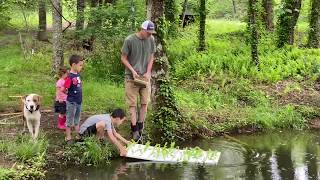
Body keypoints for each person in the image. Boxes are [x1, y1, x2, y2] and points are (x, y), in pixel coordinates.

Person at [121, 20, 156, 141]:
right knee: (132, 104)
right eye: (148, 32)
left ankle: (141, 127)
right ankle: (134, 130)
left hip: (145, 77)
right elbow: (123, 58)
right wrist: (132, 70)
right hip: (132, 78)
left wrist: (148, 71)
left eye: (151, 32)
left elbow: (152, 56)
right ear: (142, 29)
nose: (150, 34)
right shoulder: (129, 40)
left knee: (145, 103)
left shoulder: (151, 39)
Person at [64, 54, 84, 144]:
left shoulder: (78, 74)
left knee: (77, 119)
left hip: (79, 101)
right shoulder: (69, 77)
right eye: (80, 65)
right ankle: (68, 137)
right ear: (73, 65)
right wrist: (69, 95)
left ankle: (78, 135)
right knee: (69, 119)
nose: (81, 67)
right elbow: (63, 89)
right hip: (71, 102)